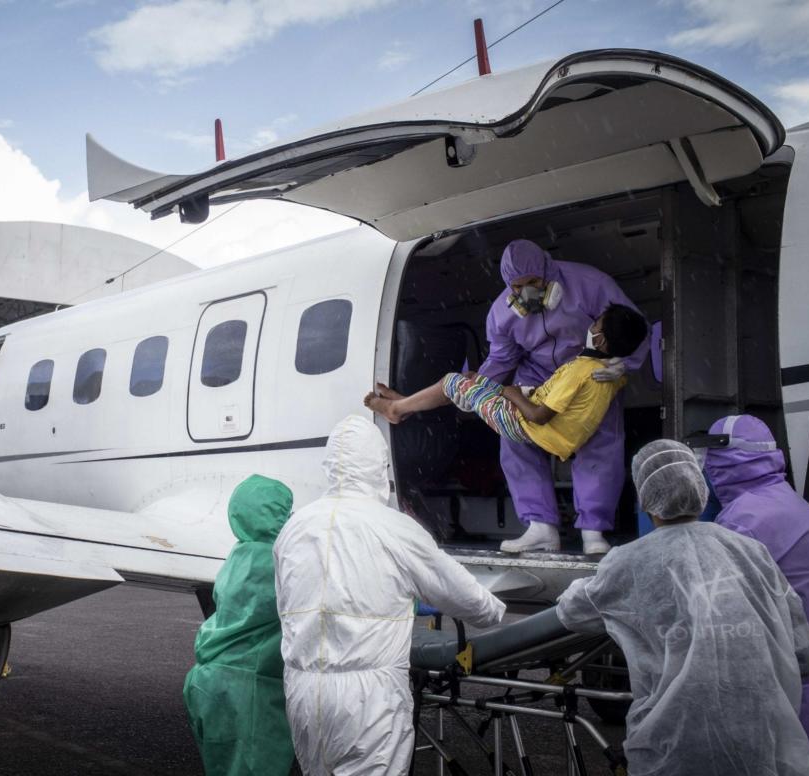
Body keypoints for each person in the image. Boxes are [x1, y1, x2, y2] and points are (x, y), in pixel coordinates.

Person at [556, 440, 809, 776]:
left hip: (675, 749)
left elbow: (571, 613)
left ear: (646, 500)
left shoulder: (628, 563)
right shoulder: (753, 553)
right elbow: (804, 654)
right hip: (767, 745)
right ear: (700, 488)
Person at [273, 416, 506, 775]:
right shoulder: (395, 528)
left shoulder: (295, 528)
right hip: (369, 698)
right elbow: (468, 599)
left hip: (303, 690)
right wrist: (495, 610)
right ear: (380, 468)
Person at [365, 304, 648, 554]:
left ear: (601, 340)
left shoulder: (579, 369)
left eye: (596, 324)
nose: (590, 326)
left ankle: (397, 409)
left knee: (453, 381)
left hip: (521, 422)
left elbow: (539, 416)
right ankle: (406, 403)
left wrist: (513, 394)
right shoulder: (609, 374)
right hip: (537, 417)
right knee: (471, 377)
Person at [698, 414, 809, 776]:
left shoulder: (743, 521)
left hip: (802, 709)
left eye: (711, 457)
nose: (706, 466)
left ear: (730, 460)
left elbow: (723, 623)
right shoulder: (790, 502)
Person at [479, 239, 649, 554]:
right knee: (515, 436)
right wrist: (477, 388)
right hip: (537, 376)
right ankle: (541, 527)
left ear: (548, 270)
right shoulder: (502, 313)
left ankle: (593, 532)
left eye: (533, 282)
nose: (527, 292)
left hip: (590, 372)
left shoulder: (591, 284)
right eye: (518, 286)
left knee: (600, 441)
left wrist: (623, 364)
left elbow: (633, 327)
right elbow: (501, 358)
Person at [183, 474, 296, 776]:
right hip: (249, 692)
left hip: (208, 681)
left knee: (221, 766)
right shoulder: (282, 561)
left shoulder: (237, 555)